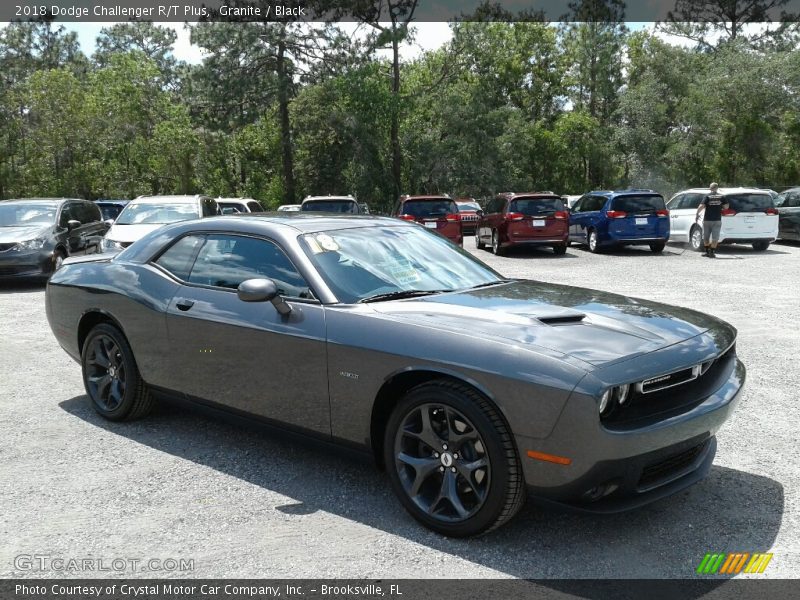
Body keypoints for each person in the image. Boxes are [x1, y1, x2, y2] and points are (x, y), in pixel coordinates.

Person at [695, 182, 728, 258]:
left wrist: (697, 214)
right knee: (715, 237)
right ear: (717, 188)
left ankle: (707, 252)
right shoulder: (722, 196)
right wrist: (721, 207)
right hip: (717, 220)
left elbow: (701, 206)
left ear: (710, 188)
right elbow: (726, 206)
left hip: (707, 220)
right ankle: (712, 252)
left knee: (706, 236)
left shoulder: (707, 196)